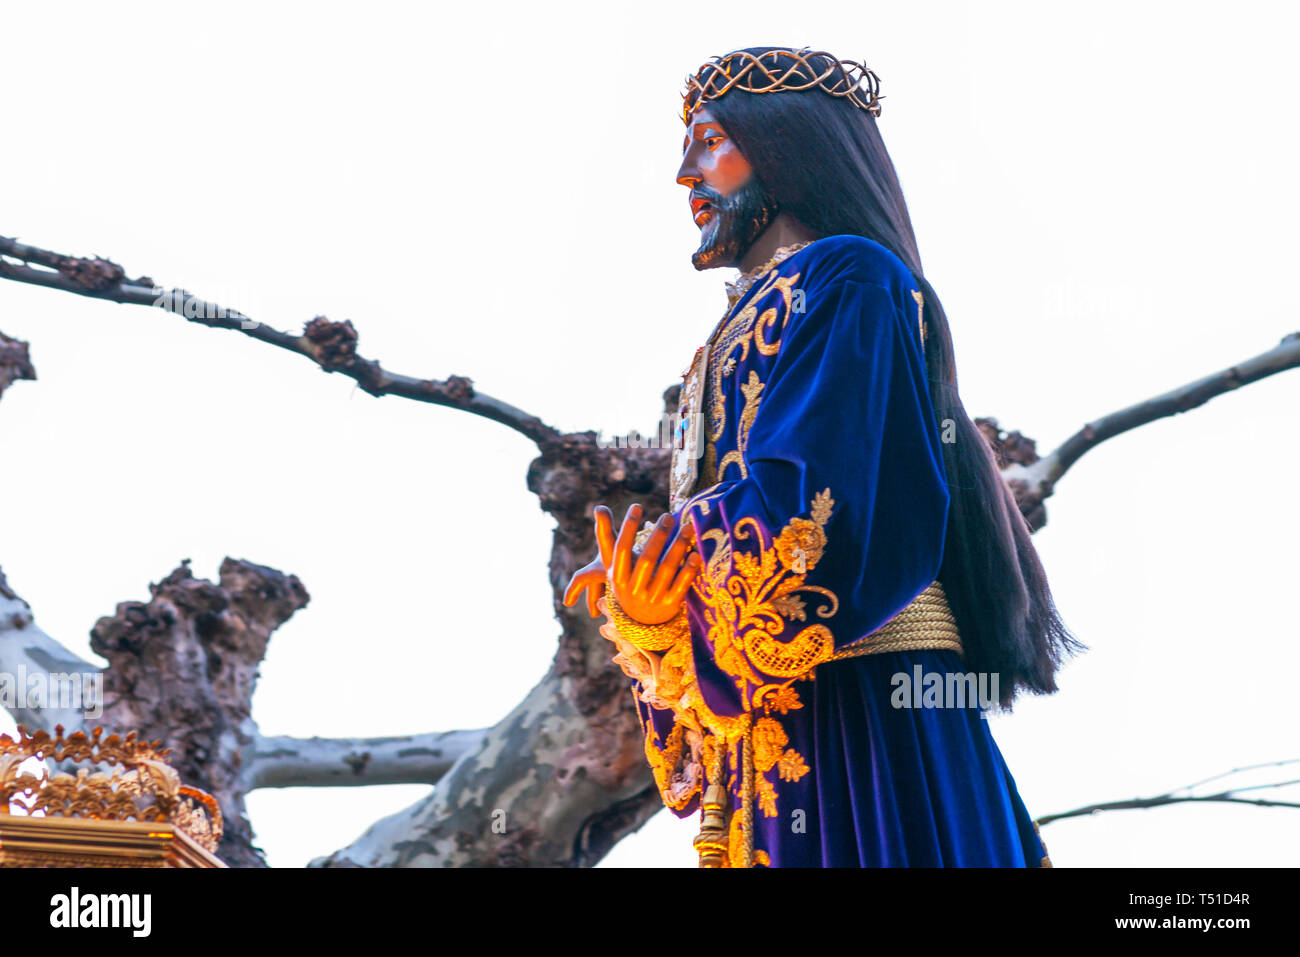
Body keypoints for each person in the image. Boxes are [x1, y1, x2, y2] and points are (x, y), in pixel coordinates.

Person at [565, 47, 1078, 868]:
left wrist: (677, 552)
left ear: (788, 150)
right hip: (778, 738)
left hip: (865, 717)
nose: (684, 174)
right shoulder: (730, 336)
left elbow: (815, 500)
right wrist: (652, 614)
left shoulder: (851, 275)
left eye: (709, 141)